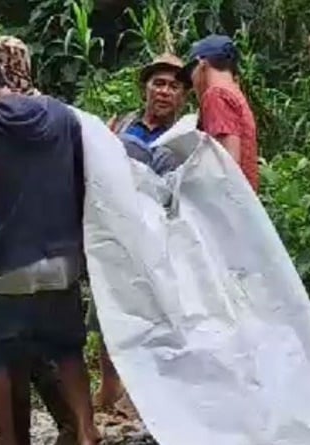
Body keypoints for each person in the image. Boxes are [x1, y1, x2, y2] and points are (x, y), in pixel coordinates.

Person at [0, 43, 99, 445]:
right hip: (63, 259)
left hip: (8, 263)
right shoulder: (63, 115)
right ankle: (86, 432)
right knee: (67, 350)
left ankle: (9, 439)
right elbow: (84, 181)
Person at [0, 35, 78, 445]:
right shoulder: (54, 110)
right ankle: (74, 424)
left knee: (9, 347)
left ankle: (19, 434)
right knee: (51, 343)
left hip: (10, 245)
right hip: (58, 243)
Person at [91, 53, 189, 414]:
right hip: (115, 231)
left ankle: (143, 393)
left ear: (183, 97)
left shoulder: (185, 136)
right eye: (158, 83)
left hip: (161, 235)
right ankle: (109, 387)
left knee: (155, 310)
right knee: (107, 306)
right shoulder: (121, 126)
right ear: (145, 88)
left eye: (174, 86)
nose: (164, 92)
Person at [179, 34, 259, 191]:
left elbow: (228, 163)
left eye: (191, 74)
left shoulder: (215, 95)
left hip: (231, 204)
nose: (193, 83)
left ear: (202, 65)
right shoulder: (235, 93)